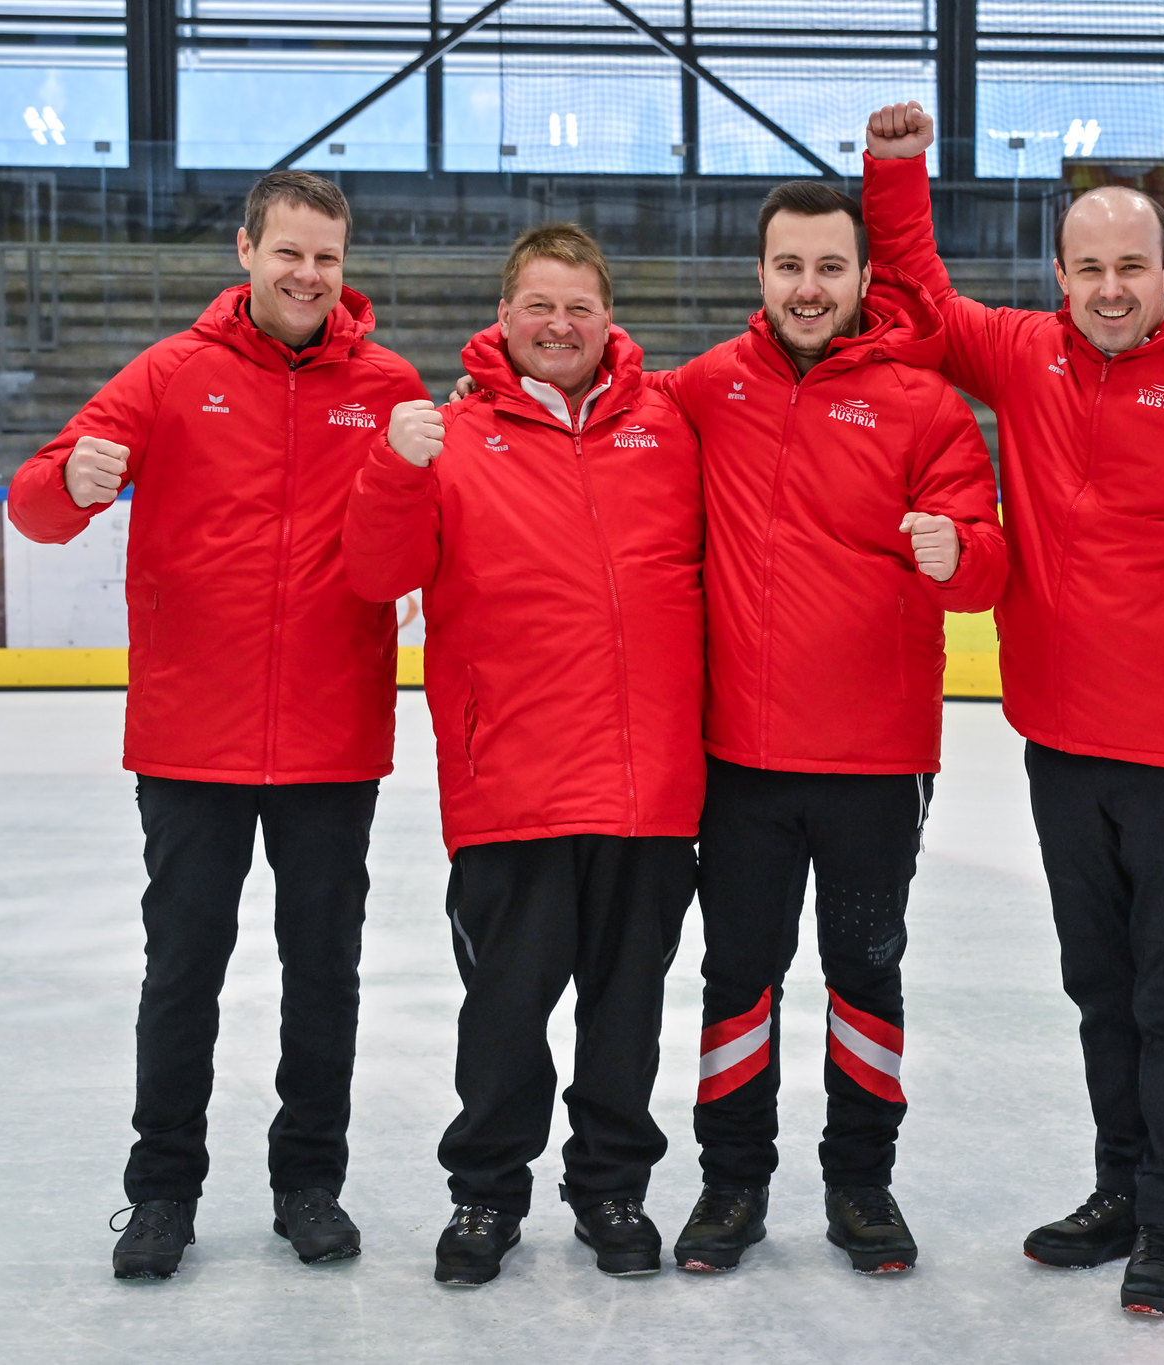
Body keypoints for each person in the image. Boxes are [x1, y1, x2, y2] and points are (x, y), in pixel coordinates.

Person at [863, 103, 1164, 1314]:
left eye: (1129, 268)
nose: (1108, 289)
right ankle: (1119, 1186)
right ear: (1059, 275)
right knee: (1096, 981)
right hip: (1058, 733)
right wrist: (895, 172)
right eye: (1086, 268)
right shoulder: (1025, 356)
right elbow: (921, 300)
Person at [6, 171, 429, 1279]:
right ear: (246, 249)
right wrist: (74, 479)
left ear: (346, 267)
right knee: (182, 971)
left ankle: (308, 1183)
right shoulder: (169, 374)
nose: (305, 275)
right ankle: (162, 1193)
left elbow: (416, 537)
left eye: (326, 258)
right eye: (287, 251)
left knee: (322, 971)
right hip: (192, 737)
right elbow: (36, 506)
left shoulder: (386, 385)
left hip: (332, 738)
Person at [343, 223, 705, 1288]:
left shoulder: (670, 428)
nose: (559, 327)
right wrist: (390, 470)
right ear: (503, 318)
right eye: (539, 307)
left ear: (609, 322)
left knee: (627, 1014)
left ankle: (611, 1189)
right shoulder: (447, 436)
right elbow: (375, 574)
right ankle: (486, 1195)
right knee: (504, 1015)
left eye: (579, 310)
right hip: (513, 783)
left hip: (650, 789)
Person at [653, 181, 1004, 1275]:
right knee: (736, 979)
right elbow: (587, 388)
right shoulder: (706, 387)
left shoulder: (925, 403)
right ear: (759, 276)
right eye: (789, 267)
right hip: (739, 759)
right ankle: (731, 1184)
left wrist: (958, 557)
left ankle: (860, 1186)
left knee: (864, 976)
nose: (809, 288)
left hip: (873, 761)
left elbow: (983, 564)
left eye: (829, 268)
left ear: (862, 279)